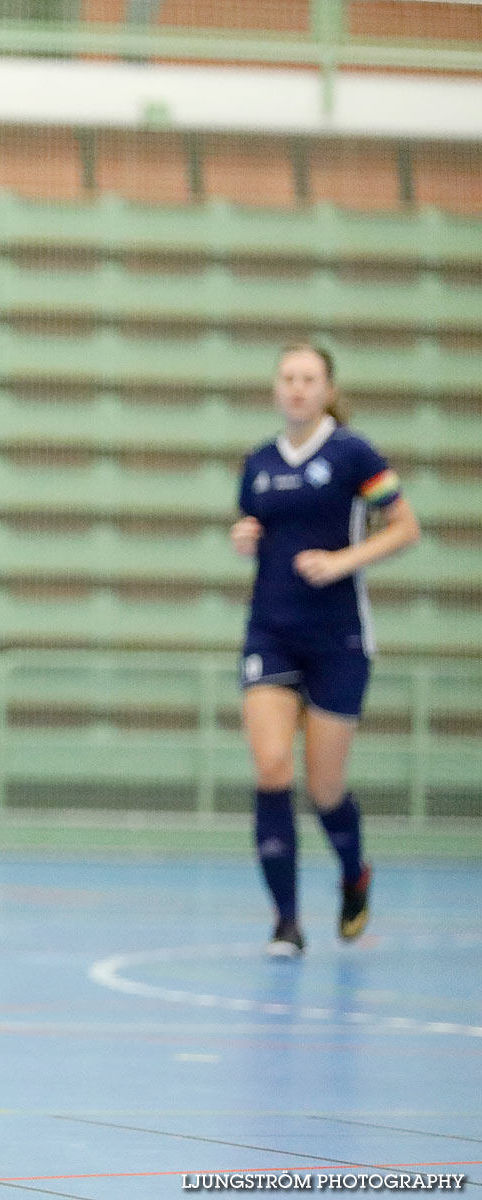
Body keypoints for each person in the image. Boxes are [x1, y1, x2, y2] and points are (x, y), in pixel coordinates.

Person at [231, 344, 419, 958]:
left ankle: (353, 873)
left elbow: (405, 527)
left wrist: (341, 562)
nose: (297, 388)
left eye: (309, 379)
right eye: (287, 377)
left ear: (327, 387)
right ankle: (286, 923)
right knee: (271, 768)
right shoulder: (258, 463)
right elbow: (255, 527)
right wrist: (244, 535)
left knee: (326, 788)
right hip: (271, 631)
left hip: (338, 638)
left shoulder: (353, 453)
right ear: (275, 387)